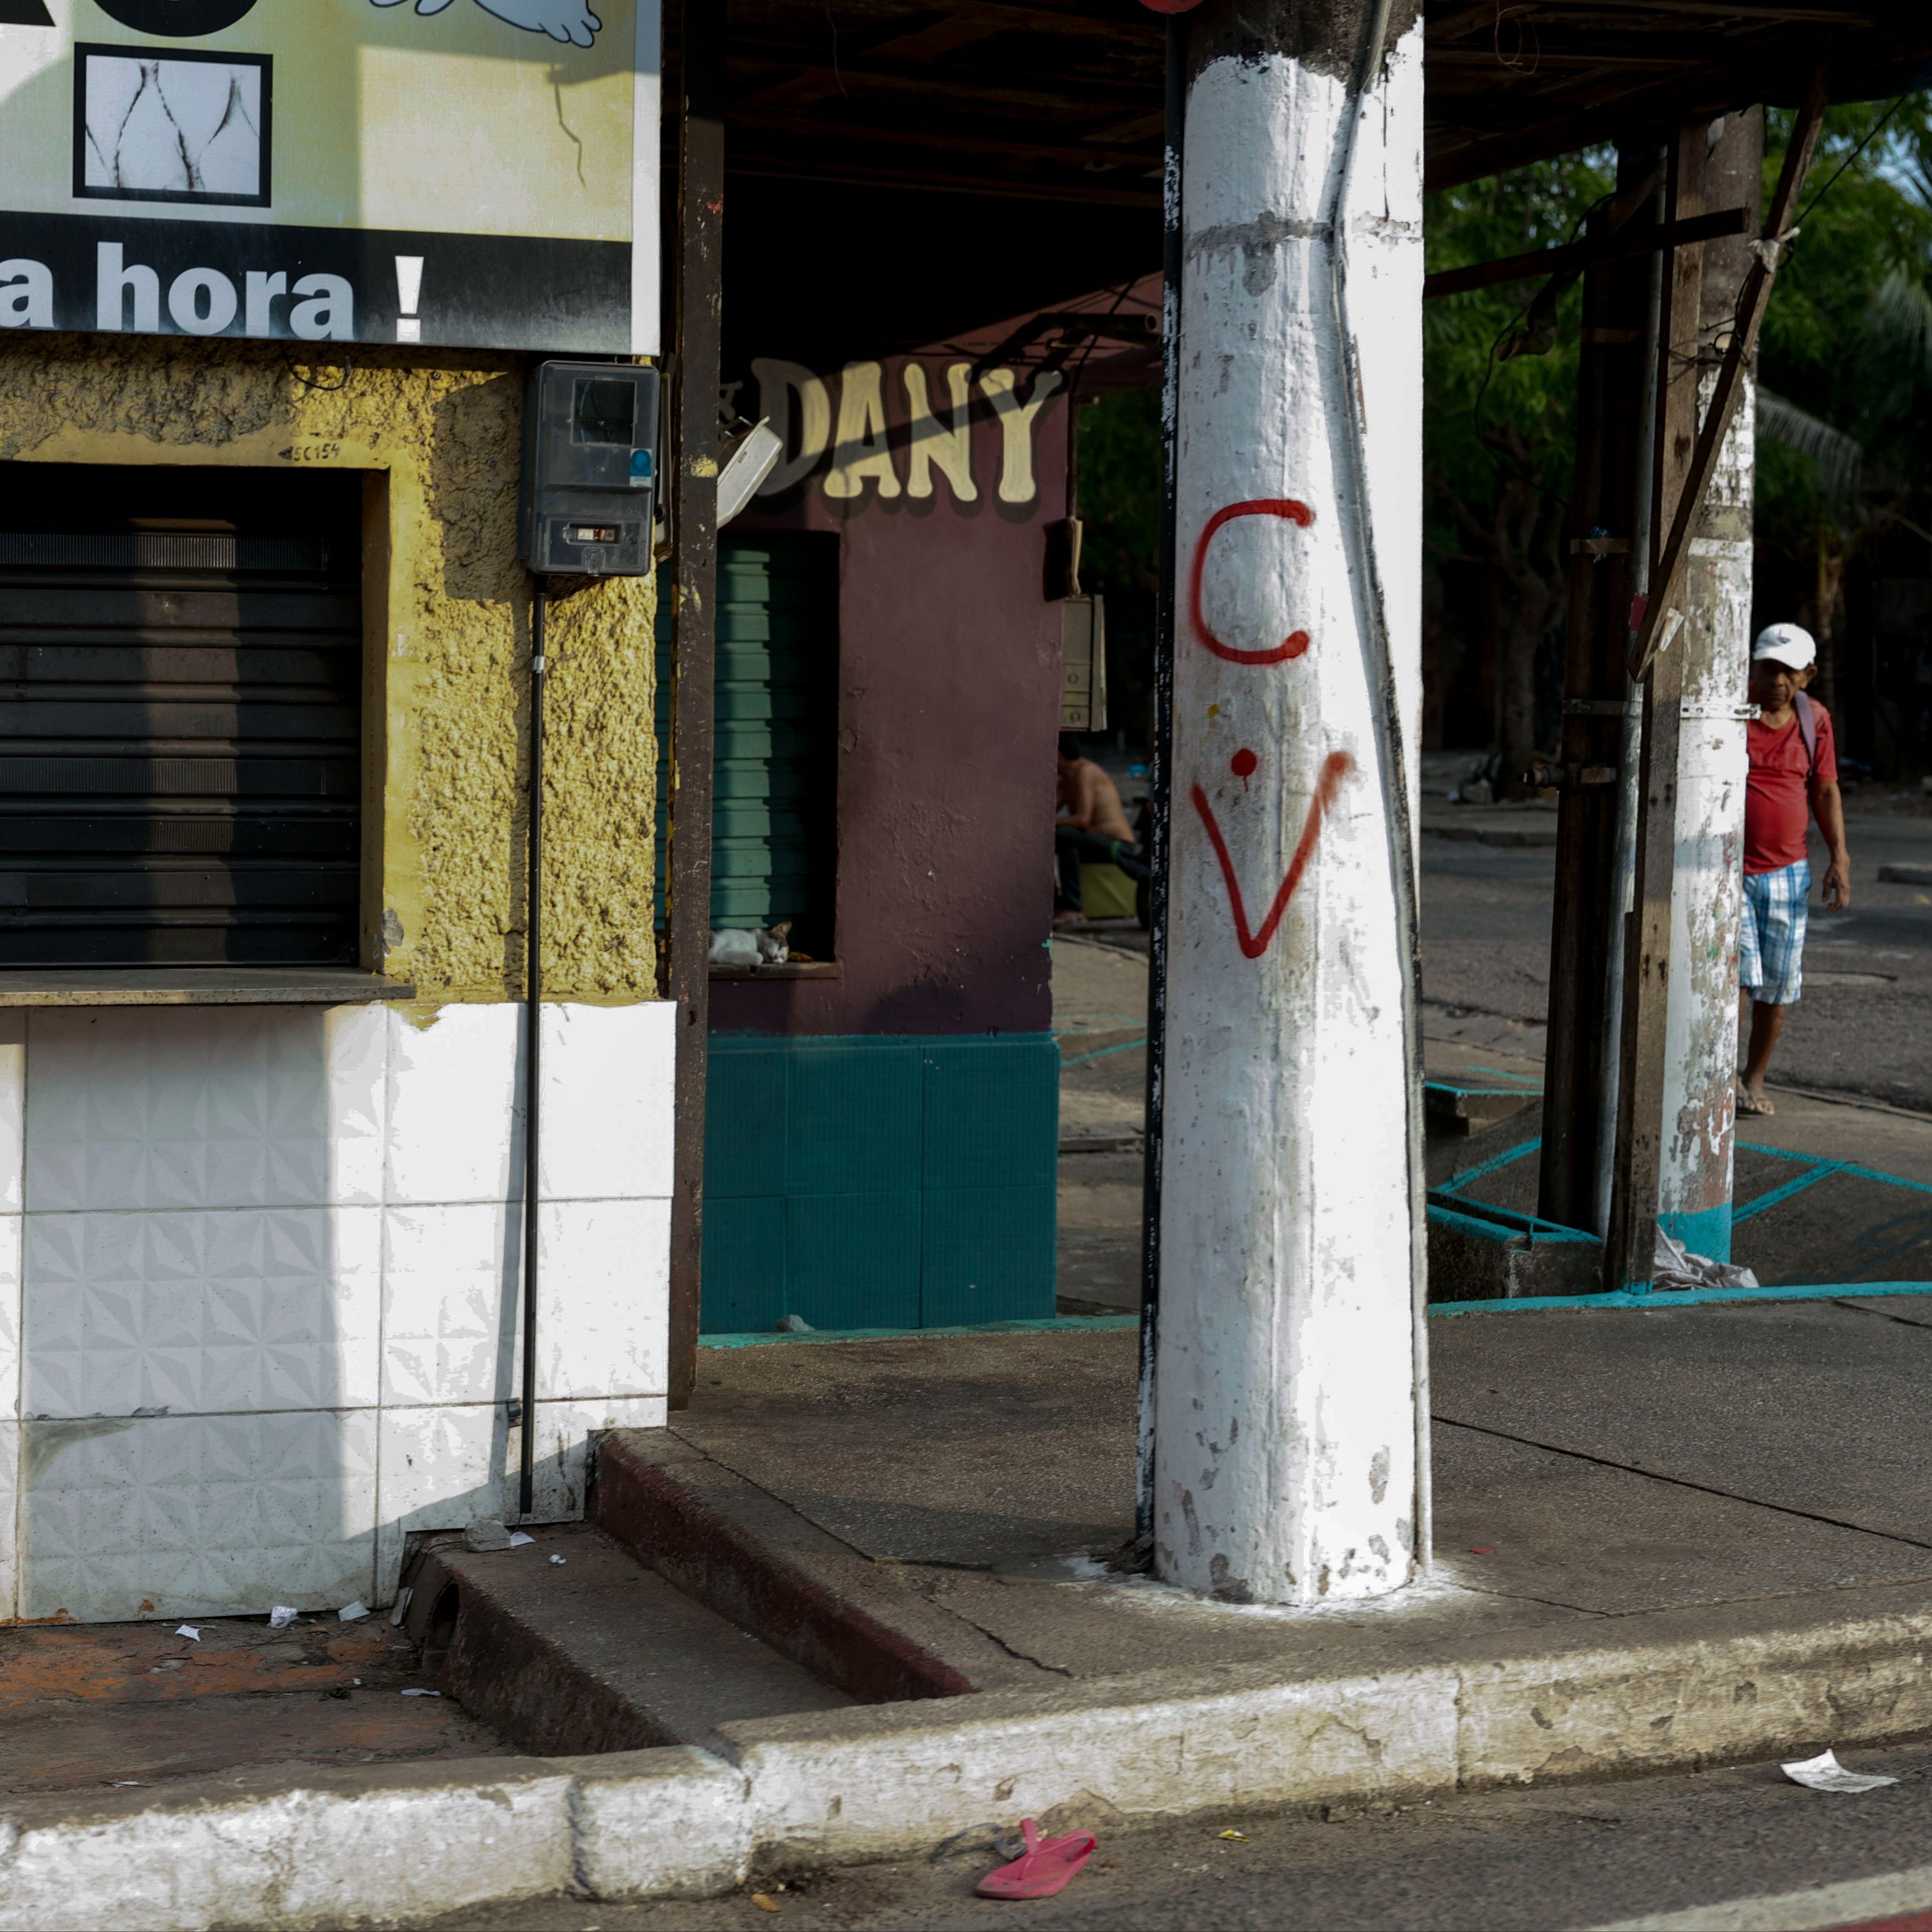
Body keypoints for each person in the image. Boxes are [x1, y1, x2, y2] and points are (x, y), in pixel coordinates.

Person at [1736, 621, 1852, 1117]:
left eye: (1787, 670)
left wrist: (1839, 859)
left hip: (1787, 872)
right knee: (1734, 980)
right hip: (1728, 871)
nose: (1776, 679)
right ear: (1753, 667)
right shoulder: (1730, 711)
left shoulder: (1814, 719)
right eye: (1768, 667)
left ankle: (1752, 1077)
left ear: (1807, 675)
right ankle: (1714, 1079)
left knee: (1777, 985)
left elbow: (1824, 790)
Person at [1055, 733, 1147, 922]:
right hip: (1092, 844)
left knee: (1065, 835)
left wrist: (1051, 825)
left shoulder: (1085, 772)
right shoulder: (1066, 782)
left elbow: (1083, 820)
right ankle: (1057, 901)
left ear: (1058, 755)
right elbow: (1045, 816)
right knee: (1054, 838)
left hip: (1118, 846)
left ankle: (1074, 908)